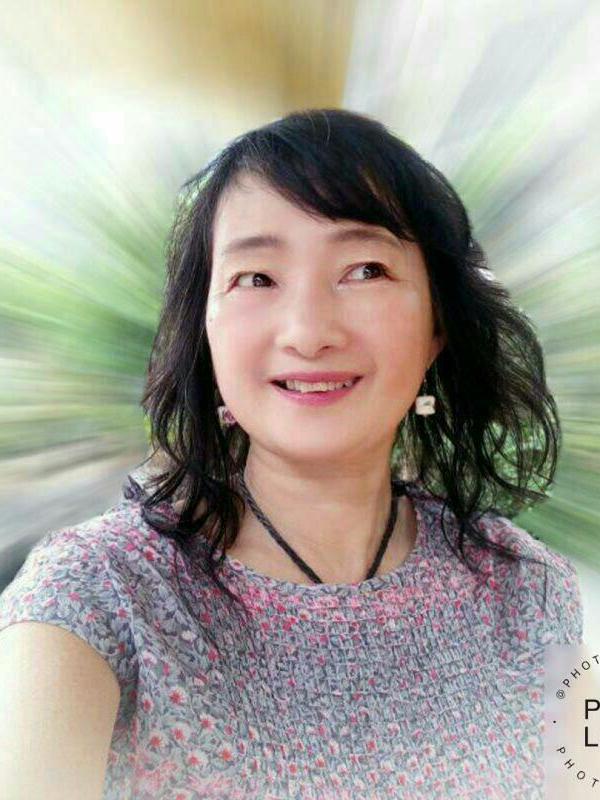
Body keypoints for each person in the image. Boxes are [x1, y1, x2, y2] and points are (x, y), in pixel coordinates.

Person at [0, 108, 583, 800]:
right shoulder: (99, 594)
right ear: (206, 327)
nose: (308, 333)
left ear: (437, 326)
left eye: (365, 270)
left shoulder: (529, 592)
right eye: (256, 278)